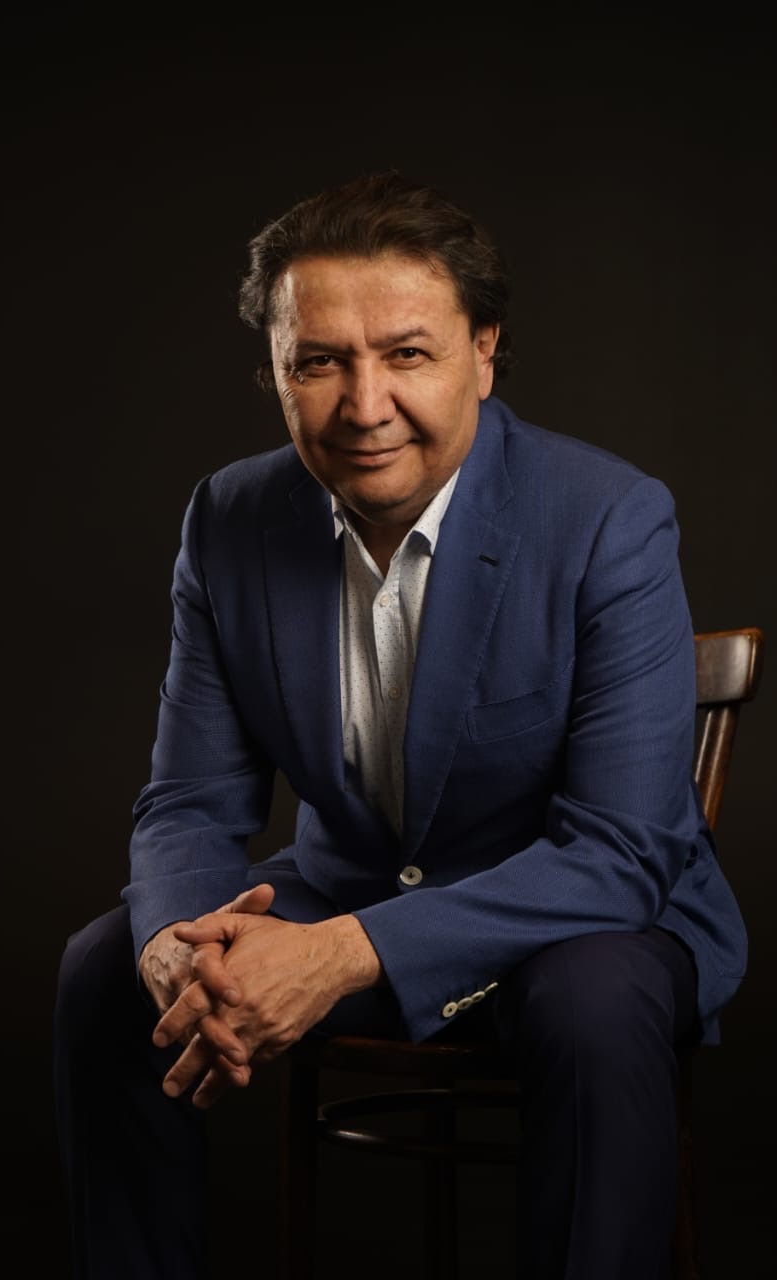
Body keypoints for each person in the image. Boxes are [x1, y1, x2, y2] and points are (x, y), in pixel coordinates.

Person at [54, 170, 747, 1279]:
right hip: (358, 882)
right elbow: (189, 801)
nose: (363, 403)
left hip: (571, 918)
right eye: (319, 361)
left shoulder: (606, 516)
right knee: (108, 966)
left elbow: (621, 853)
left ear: (484, 350)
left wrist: (339, 952)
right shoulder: (230, 518)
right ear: (277, 371)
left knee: (593, 1000)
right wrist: (182, 948)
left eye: (407, 353)